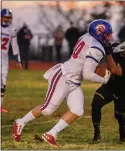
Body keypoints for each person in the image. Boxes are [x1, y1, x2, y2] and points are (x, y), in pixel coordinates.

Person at [12, 19, 116, 147]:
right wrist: (104, 80)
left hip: (74, 80)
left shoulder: (86, 36)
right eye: (107, 35)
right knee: (48, 109)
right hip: (63, 76)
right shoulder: (97, 48)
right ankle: (20, 122)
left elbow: (83, 62)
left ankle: (51, 134)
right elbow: (87, 74)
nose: (109, 37)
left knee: (77, 110)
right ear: (99, 33)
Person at [91, 40, 125, 142]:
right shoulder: (118, 48)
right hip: (110, 85)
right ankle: (97, 134)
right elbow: (102, 48)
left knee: (119, 115)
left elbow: (113, 69)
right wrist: (104, 41)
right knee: (96, 102)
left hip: (123, 91)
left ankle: (122, 128)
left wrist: (108, 53)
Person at [1, 8, 22, 113]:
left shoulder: (11, 29)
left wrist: (18, 59)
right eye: (5, 17)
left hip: (4, 60)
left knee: (3, 84)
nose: (7, 20)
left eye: (9, 18)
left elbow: (14, 46)